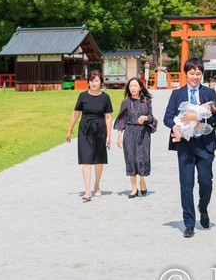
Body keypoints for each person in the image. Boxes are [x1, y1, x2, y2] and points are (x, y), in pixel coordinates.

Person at [163, 58, 216, 238]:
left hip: (205, 144)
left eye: (198, 73)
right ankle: (189, 223)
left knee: (206, 181)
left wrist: (199, 118)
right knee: (186, 184)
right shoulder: (177, 94)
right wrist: (175, 126)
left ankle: (203, 208)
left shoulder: (209, 92)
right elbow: (167, 117)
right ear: (186, 74)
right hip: (185, 145)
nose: (195, 77)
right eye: (192, 73)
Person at [66, 69, 113, 202]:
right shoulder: (83, 96)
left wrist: (109, 135)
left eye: (96, 81)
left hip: (100, 129)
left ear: (101, 82)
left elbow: (108, 117)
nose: (94, 83)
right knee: (86, 160)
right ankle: (87, 191)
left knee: (99, 160)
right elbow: (76, 114)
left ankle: (96, 185)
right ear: (88, 82)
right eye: (91, 81)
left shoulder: (105, 97)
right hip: (85, 130)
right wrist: (69, 130)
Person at [113, 77, 156, 198]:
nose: (133, 88)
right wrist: (119, 136)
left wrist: (145, 118)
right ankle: (133, 188)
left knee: (142, 158)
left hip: (143, 132)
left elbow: (151, 117)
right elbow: (122, 120)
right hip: (129, 132)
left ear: (140, 87)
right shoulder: (125, 102)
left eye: (135, 86)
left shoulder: (146, 101)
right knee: (130, 159)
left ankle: (142, 179)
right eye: (131, 86)